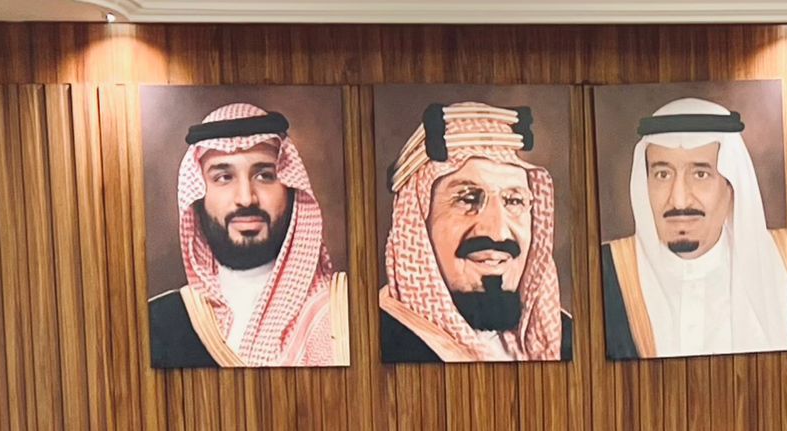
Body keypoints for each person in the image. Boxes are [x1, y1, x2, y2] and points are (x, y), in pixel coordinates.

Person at [149, 103, 349, 368]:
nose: (246, 198)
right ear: (197, 196)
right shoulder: (160, 323)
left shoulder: (342, 314)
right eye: (224, 177)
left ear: (291, 189)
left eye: (265, 176)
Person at [380, 102, 572, 362]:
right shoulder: (383, 343)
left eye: (514, 201)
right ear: (418, 224)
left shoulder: (566, 339)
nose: (497, 232)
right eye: (467, 199)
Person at [601, 97, 787, 359]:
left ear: (731, 185)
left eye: (700, 174)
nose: (679, 200)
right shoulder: (606, 271)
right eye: (663, 174)